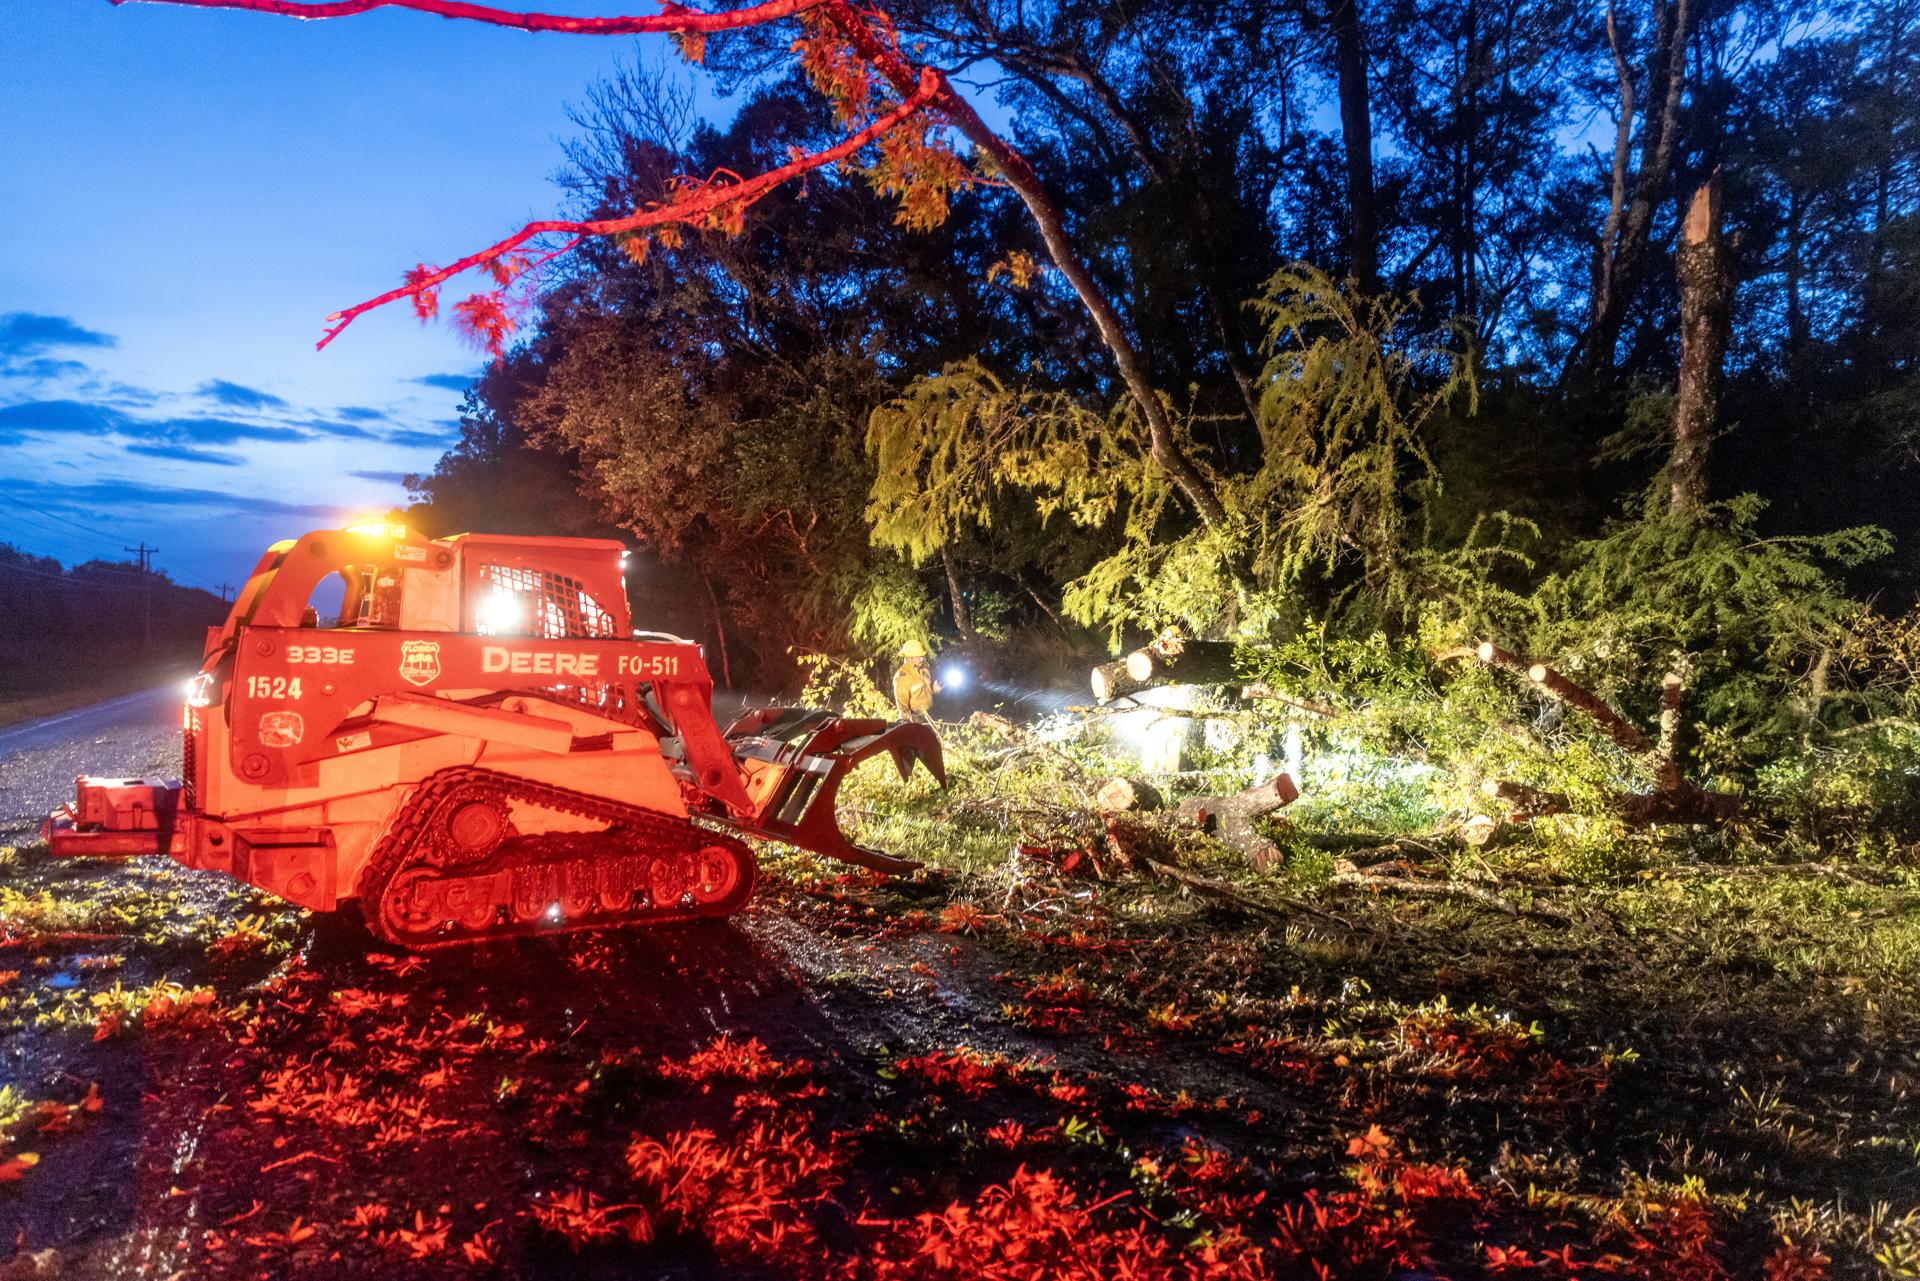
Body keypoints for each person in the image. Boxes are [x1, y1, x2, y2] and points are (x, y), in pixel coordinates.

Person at [891, 639, 940, 722]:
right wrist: (907, 722)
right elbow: (902, 704)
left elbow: (922, 693)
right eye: (918, 657)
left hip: (929, 714)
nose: (922, 659)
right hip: (915, 718)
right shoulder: (903, 676)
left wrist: (934, 690)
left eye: (922, 656)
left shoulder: (924, 671)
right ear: (909, 658)